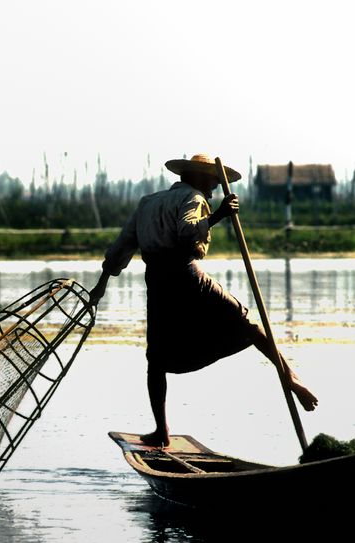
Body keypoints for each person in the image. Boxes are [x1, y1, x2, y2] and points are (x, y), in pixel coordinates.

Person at [89, 153, 318, 447]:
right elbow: (187, 233)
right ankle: (290, 376)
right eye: (211, 181)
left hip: (157, 281)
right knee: (246, 322)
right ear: (197, 178)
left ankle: (162, 431)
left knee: (155, 359)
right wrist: (219, 215)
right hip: (186, 274)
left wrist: (101, 284)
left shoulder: (147, 203)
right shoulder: (195, 198)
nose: (213, 188)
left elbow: (121, 246)